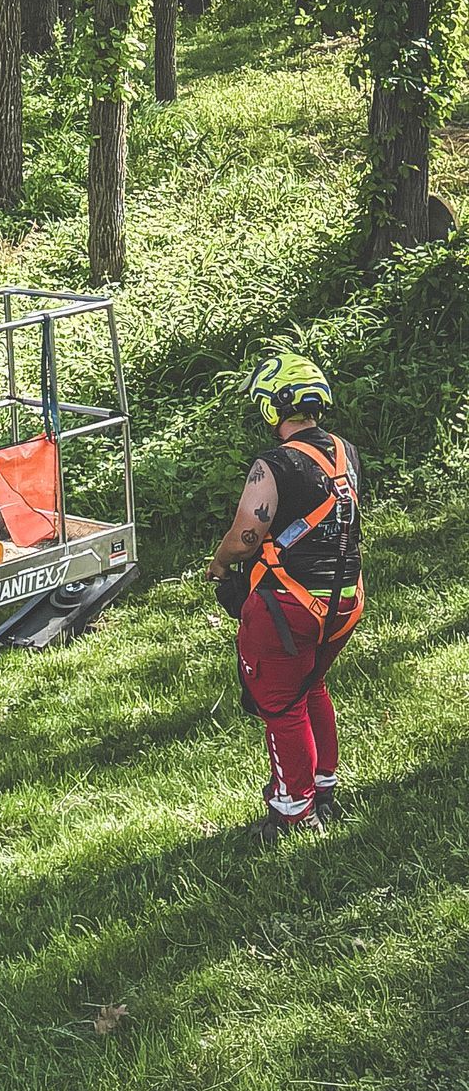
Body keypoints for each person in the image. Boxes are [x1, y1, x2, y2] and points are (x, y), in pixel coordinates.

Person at [208, 352, 364, 842]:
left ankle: (294, 811)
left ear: (274, 408)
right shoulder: (346, 452)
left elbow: (246, 536)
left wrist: (219, 564)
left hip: (289, 608)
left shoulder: (272, 464)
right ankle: (323, 788)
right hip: (343, 601)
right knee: (311, 687)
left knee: (280, 705)